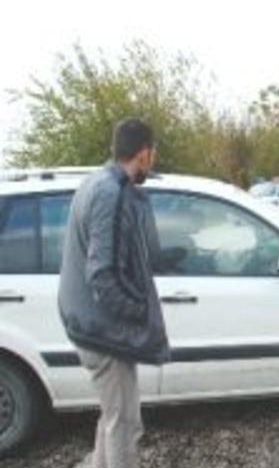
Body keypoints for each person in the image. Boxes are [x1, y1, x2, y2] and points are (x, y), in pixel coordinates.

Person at [60, 118, 169, 468]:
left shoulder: (97, 182)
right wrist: (139, 309)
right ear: (144, 153)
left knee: (114, 414)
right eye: (152, 152)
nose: (152, 159)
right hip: (102, 330)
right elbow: (103, 275)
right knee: (124, 424)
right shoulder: (111, 192)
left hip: (88, 322)